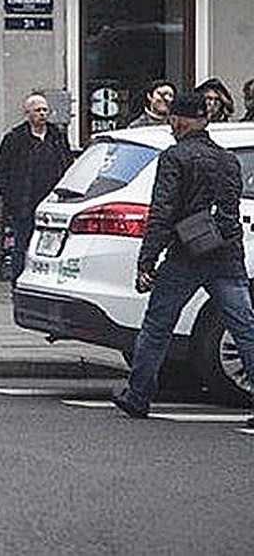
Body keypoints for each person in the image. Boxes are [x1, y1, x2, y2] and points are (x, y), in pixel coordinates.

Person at [111, 92, 254, 427]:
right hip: (226, 254)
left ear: (179, 119)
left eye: (174, 119)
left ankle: (138, 395)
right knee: (244, 327)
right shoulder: (228, 160)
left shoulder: (175, 157)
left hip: (185, 254)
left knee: (157, 325)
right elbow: (229, 210)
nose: (171, 126)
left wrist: (147, 260)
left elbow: (162, 212)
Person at [0, 92, 73, 283]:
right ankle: (19, 281)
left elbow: (67, 165)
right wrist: (10, 198)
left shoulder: (57, 136)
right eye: (37, 110)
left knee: (52, 246)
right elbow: (0, 171)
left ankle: (49, 282)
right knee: (22, 245)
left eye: (45, 110)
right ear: (27, 113)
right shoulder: (15, 138)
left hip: (53, 203)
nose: (42, 114)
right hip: (24, 203)